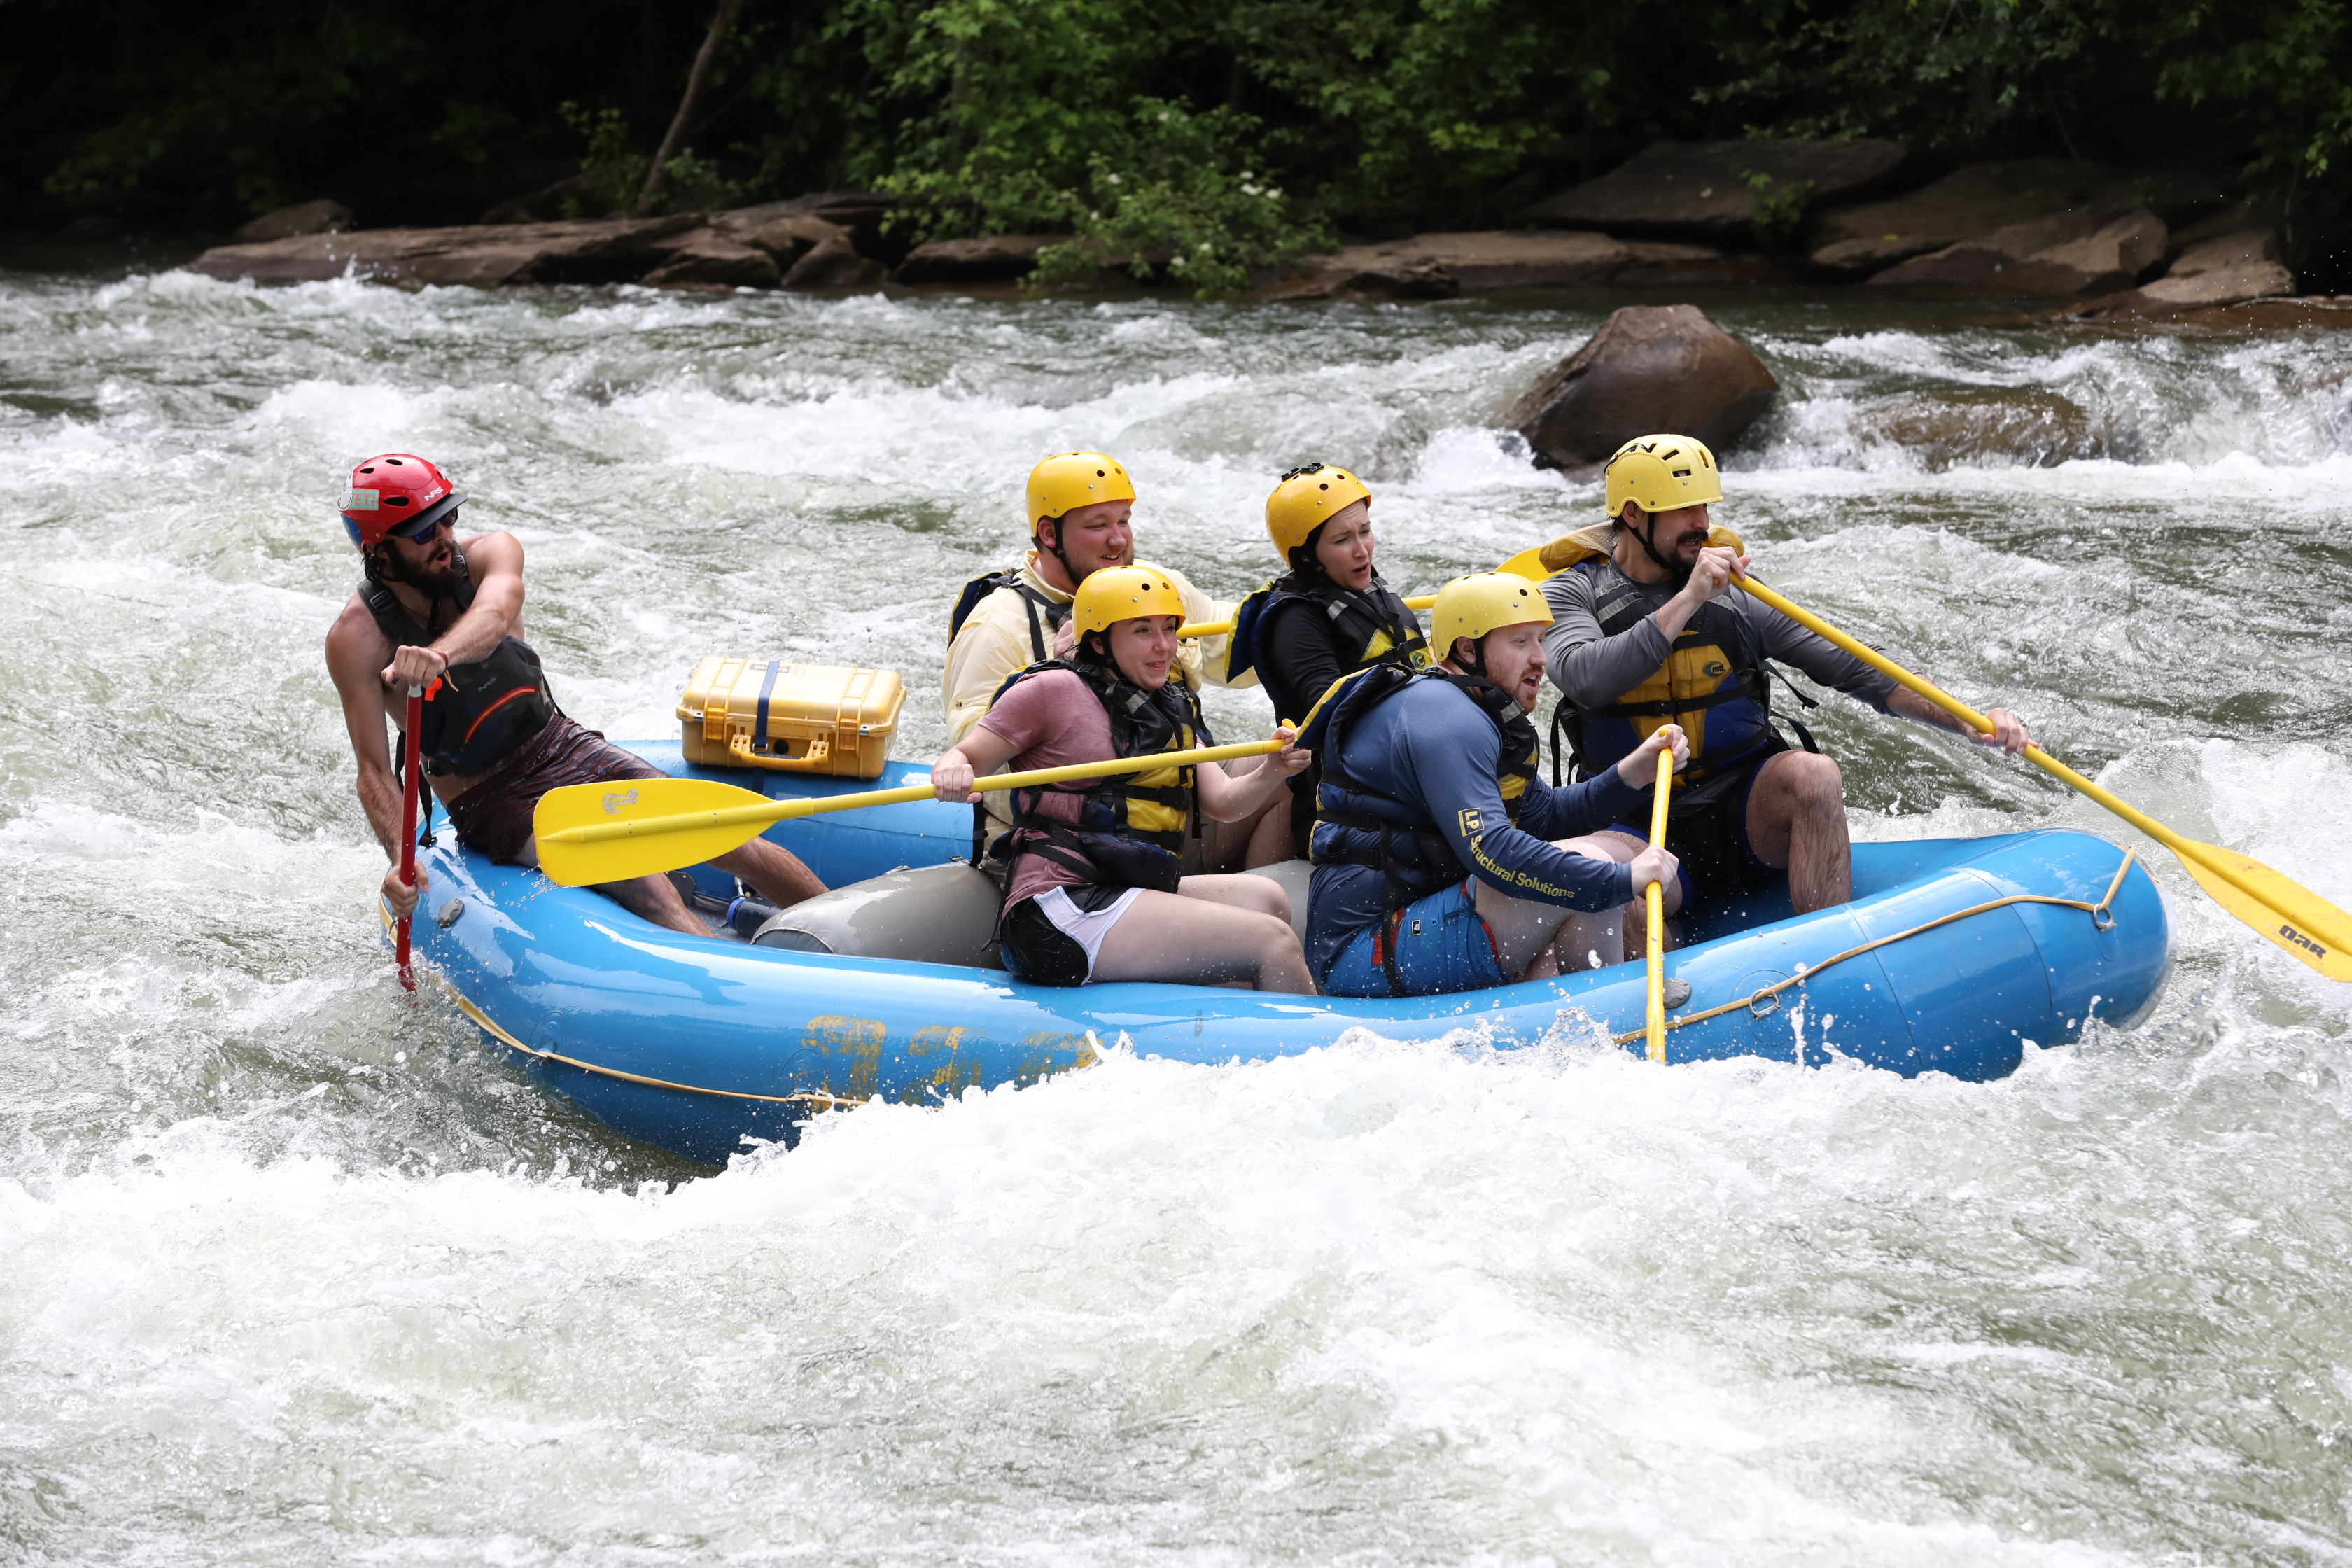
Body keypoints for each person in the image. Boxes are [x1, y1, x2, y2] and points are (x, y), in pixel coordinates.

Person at [323, 452, 823, 937]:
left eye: (447, 517)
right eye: (422, 531)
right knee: (640, 881)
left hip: (563, 744)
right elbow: (373, 772)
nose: (444, 537)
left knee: (721, 833)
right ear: (379, 550)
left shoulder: (488, 556)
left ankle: (844, 936)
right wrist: (400, 857)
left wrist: (442, 655)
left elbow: (496, 616)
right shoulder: (357, 640)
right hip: (490, 797)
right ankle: (733, 986)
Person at [1541, 433, 2030, 921]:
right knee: (1617, 891)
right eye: (1682, 510)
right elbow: (1587, 678)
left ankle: (1834, 951)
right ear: (1632, 515)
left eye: (1705, 508)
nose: (1702, 524)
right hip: (1635, 820)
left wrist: (1966, 720)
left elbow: (1859, 666)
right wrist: (1689, 598)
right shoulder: (1571, 594)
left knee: (1815, 773)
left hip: (1744, 807)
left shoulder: (1734, 596)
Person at [928, 566, 1316, 993]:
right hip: (1059, 910)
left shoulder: (1170, 705)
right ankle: (1314, 1053)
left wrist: (1273, 770)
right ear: (1099, 641)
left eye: (1170, 629)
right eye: (1142, 632)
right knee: (1272, 942)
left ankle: (1225, 1033)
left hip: (1125, 887)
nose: (1164, 647)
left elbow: (1224, 802)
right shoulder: (1051, 689)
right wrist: (953, 769)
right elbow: (967, 753)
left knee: (1270, 902)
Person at [1303, 573, 1688, 999]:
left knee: (1599, 867)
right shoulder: (1444, 717)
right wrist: (1615, 881)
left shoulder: (1474, 709)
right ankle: (1609, 1014)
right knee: (1592, 869)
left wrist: (1633, 773)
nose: (1541, 658)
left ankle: (1596, 1006)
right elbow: (1490, 850)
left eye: (1542, 640)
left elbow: (1547, 817)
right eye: (1521, 643)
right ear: (1468, 650)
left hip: (1421, 917)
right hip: (1362, 954)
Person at [943, 449, 1259, 868]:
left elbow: (1239, 653)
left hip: (1179, 816)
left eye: (1124, 521)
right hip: (1079, 850)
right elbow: (981, 765)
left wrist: (1298, 620)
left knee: (1299, 770)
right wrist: (1076, 676)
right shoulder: (997, 627)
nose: (1119, 540)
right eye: (1098, 526)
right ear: (1049, 534)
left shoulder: (1156, 589)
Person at [1224, 462, 1432, 867]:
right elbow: (1333, 709)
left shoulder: (1364, 587)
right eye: (1342, 540)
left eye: (1365, 531)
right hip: (1345, 814)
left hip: (1407, 779)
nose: (1362, 550)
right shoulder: (1294, 620)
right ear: (1306, 557)